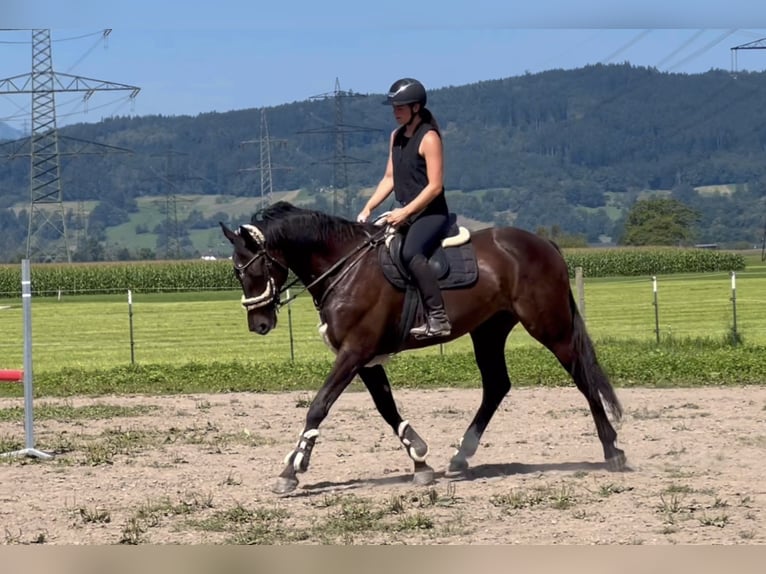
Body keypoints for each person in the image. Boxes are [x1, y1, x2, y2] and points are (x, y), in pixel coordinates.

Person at [357, 77, 452, 339]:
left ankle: (438, 317)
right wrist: (368, 208)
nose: (395, 112)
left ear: (416, 108)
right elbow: (389, 178)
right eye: (393, 108)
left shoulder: (429, 138)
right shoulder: (396, 137)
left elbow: (434, 187)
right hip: (405, 212)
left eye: (400, 107)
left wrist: (405, 212)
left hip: (430, 214)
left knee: (411, 253)